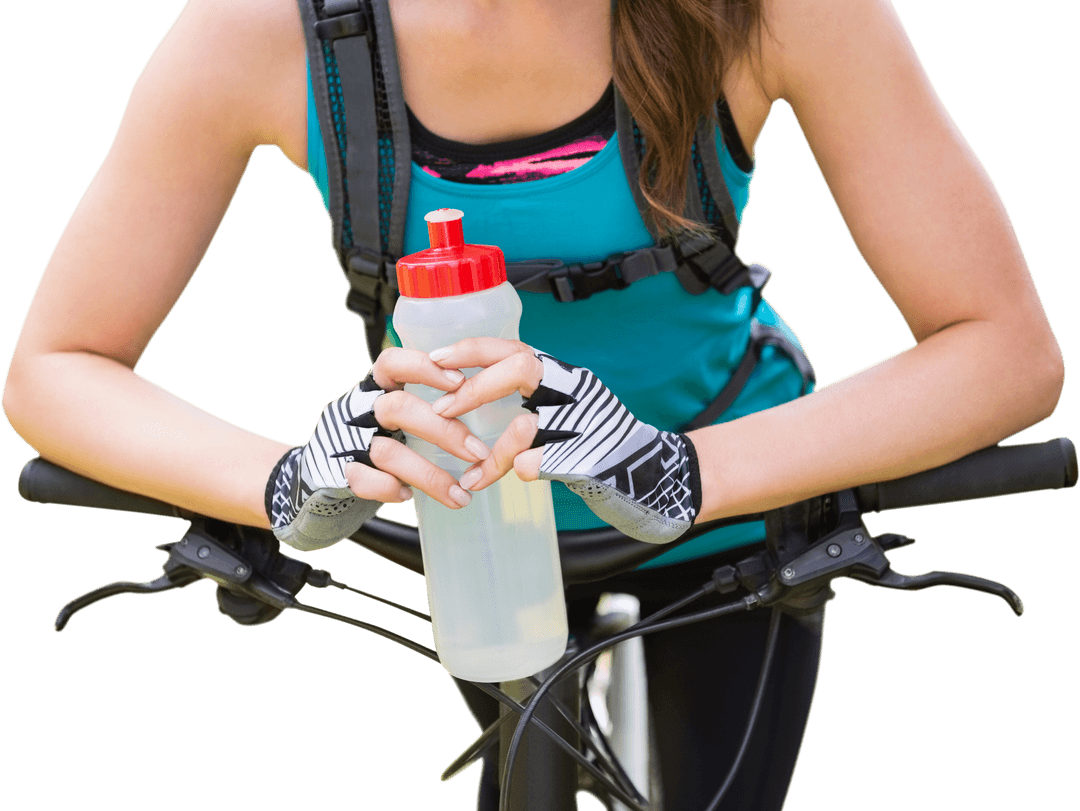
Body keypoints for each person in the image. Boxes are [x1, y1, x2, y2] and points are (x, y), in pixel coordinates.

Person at [2, 0, 1065, 809]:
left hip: (735, 528)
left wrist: (679, 473)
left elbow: (1006, 349)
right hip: (471, 545)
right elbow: (54, 366)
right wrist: (283, 478)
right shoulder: (267, 29)